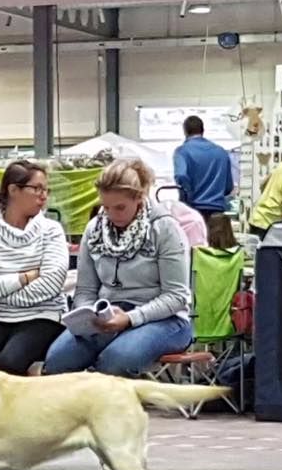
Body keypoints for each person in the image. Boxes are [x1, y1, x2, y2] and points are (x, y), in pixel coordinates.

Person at [43, 159, 193, 378]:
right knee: (57, 362)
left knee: (114, 362)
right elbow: (85, 291)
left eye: (120, 207)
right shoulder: (94, 229)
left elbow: (176, 296)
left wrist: (131, 318)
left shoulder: (165, 229)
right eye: (106, 207)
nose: (112, 214)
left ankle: (105, 408)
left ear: (139, 198)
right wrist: (88, 317)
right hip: (108, 316)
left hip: (165, 319)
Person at [0, 161, 69, 376]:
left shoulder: (52, 230)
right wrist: (24, 278)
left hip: (43, 315)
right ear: (13, 190)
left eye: (46, 190)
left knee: (10, 362)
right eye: (36, 188)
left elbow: (51, 284)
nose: (43, 196)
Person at [173, 115, 234, 223]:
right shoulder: (221, 152)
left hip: (194, 212)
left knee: (196, 240)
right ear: (203, 130)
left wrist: (186, 200)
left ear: (185, 131)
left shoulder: (182, 152)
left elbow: (181, 176)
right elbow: (228, 187)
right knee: (217, 240)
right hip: (217, 214)